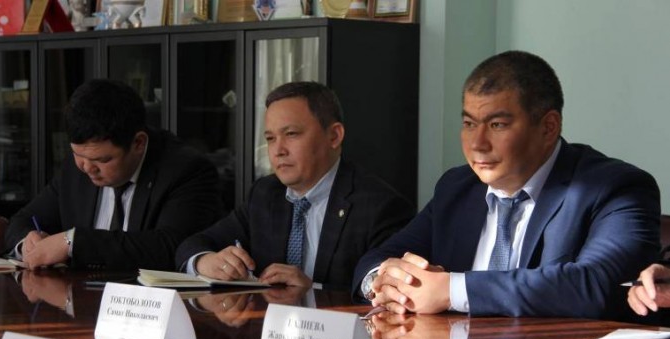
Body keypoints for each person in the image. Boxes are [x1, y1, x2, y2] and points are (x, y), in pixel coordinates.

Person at [354, 50, 660, 319]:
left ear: (548, 127)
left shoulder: (614, 188)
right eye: (469, 124)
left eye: (497, 125)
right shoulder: (457, 188)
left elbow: (596, 285)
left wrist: (452, 290)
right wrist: (384, 283)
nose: (477, 144)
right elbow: (378, 258)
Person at [176, 81, 414, 290]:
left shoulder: (380, 207)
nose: (278, 150)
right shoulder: (265, 194)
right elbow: (192, 245)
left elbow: (381, 292)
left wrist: (314, 290)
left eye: (291, 134)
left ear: (334, 136)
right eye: (270, 138)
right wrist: (204, 261)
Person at [5, 79, 222, 270]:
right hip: (79, 296)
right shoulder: (80, 165)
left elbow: (171, 247)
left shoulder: (186, 170)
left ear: (138, 143)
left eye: (102, 160)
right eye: (78, 154)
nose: (87, 168)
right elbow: (21, 221)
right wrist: (28, 244)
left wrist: (72, 242)